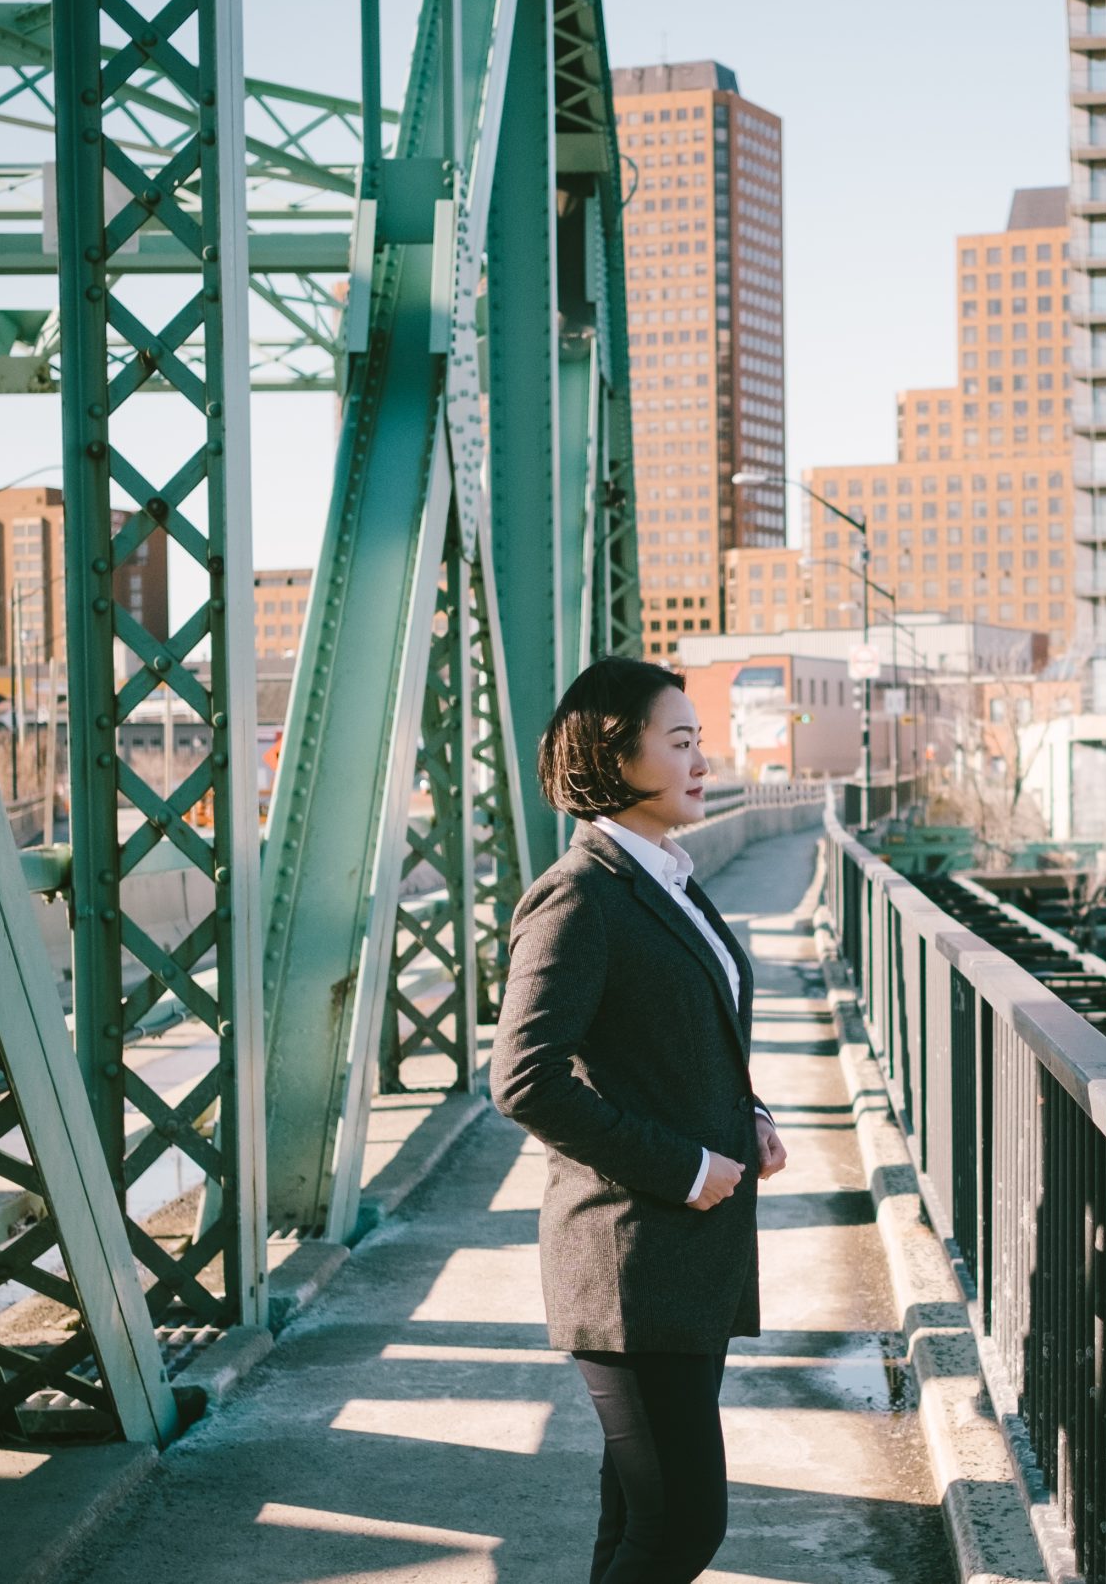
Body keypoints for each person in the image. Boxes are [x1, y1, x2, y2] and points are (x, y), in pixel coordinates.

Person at [492, 657, 786, 1583]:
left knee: (637, 1530)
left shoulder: (664, 878)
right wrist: (688, 1167)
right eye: (682, 741)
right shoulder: (579, 897)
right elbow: (525, 1079)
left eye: (700, 741)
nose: (703, 760)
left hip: (683, 1264)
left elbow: (679, 1034)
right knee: (682, 1527)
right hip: (630, 1266)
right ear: (617, 755)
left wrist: (751, 1113)